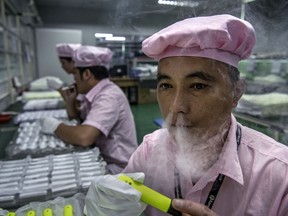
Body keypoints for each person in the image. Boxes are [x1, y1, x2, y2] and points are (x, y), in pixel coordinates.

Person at [84, 14, 288, 216]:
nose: (176, 107)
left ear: (236, 93)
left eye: (198, 86)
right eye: (166, 85)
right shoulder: (149, 151)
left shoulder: (278, 175)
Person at [40, 45, 138, 174]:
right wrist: (70, 101)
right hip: (102, 158)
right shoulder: (94, 93)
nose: (74, 79)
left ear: (86, 74)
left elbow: (84, 137)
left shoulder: (108, 96)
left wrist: (55, 126)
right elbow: (79, 120)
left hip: (119, 170)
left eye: (75, 73)